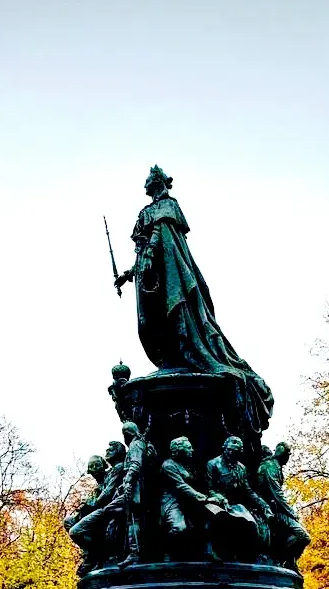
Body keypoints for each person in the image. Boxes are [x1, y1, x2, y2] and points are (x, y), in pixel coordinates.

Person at [114, 167, 274, 438]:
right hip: (151, 275)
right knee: (151, 320)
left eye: (148, 181)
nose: (145, 185)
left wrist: (150, 254)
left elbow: (160, 233)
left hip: (168, 272)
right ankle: (172, 355)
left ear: (157, 182)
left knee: (176, 313)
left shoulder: (167, 206)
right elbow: (143, 248)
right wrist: (130, 273)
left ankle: (185, 350)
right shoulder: (149, 211)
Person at [206, 436, 272, 559]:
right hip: (216, 502)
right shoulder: (213, 464)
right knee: (221, 517)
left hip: (234, 505)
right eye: (230, 450)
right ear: (225, 448)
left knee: (251, 524)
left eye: (236, 452)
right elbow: (210, 489)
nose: (232, 454)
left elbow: (248, 490)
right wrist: (219, 497)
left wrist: (263, 504)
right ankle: (213, 550)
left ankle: (247, 556)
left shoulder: (241, 468)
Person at [159, 436, 225, 559]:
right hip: (173, 501)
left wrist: (213, 496)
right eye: (189, 448)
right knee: (179, 528)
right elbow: (181, 486)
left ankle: (208, 550)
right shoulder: (168, 465)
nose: (192, 450)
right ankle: (166, 551)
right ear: (179, 450)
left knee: (212, 515)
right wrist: (204, 498)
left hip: (189, 500)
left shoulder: (186, 464)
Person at [67, 442, 127, 572]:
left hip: (107, 509)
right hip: (100, 509)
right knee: (68, 521)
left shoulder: (118, 468)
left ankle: (94, 555)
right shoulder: (105, 477)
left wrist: (91, 503)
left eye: (110, 449)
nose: (107, 451)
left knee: (75, 531)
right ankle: (90, 554)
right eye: (91, 467)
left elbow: (107, 494)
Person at [256, 442, 311, 568]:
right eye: (288, 455)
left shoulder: (276, 467)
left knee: (304, 537)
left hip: (276, 509)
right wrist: (291, 512)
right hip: (269, 509)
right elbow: (277, 494)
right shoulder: (270, 466)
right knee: (303, 536)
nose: (288, 458)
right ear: (284, 455)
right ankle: (281, 558)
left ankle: (288, 562)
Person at [118, 421, 153, 565]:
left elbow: (136, 464)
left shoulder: (135, 444)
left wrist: (128, 481)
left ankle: (135, 553)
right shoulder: (142, 443)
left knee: (133, 520)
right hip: (138, 485)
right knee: (134, 519)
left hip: (135, 486)